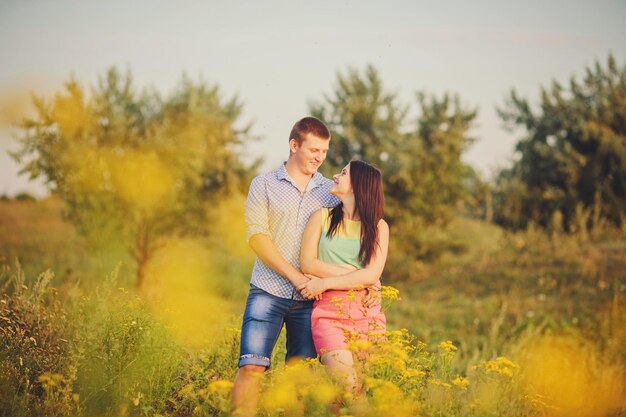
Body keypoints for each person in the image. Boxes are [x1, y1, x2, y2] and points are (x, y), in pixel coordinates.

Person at [231, 116, 339, 417]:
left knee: (298, 377)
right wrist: (294, 275)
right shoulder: (263, 184)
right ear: (294, 145)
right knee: (252, 366)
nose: (320, 157)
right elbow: (256, 236)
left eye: (325, 152)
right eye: (314, 150)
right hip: (267, 290)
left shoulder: (331, 191)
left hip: (309, 299)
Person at [297, 159, 389, 394]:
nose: (335, 176)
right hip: (329, 315)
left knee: (359, 394)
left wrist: (326, 281)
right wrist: (363, 278)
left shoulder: (379, 227)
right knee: (348, 388)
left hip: (368, 315)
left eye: (344, 173)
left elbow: (373, 273)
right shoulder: (322, 217)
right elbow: (307, 263)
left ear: (358, 185)